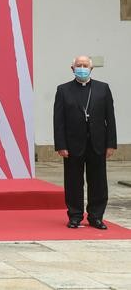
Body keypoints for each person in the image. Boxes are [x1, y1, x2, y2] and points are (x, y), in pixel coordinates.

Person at [54, 55, 116, 229]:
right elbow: (58, 120)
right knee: (73, 181)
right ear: (72, 69)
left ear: (91, 68)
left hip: (98, 143)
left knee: (98, 181)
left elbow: (110, 118)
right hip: (72, 144)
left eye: (85, 65)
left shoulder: (103, 89)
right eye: (78, 65)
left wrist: (111, 143)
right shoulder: (63, 90)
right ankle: (75, 215)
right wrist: (61, 145)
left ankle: (96, 216)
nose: (82, 68)